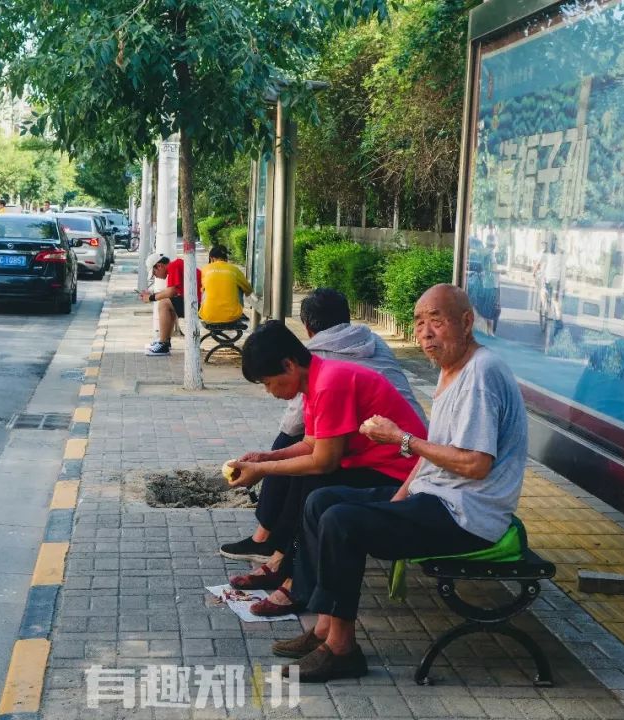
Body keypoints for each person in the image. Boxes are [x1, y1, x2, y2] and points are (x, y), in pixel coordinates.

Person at [270, 284, 527, 682]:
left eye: (436, 321)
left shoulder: (481, 373)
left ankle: (341, 650)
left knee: (341, 521)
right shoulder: (452, 371)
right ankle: (324, 628)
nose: (425, 333)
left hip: (468, 515)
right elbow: (434, 453)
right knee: (322, 501)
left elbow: (476, 465)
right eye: (419, 322)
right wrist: (399, 499)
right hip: (437, 497)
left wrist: (401, 439)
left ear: (466, 322)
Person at [224, 320, 427, 616]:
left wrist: (265, 470)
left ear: (289, 365)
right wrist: (266, 458)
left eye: (268, 382)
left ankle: (296, 584)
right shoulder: (317, 380)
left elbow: (323, 461)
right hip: (372, 465)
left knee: (315, 486)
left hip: (400, 476)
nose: (269, 391)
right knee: (298, 476)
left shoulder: (330, 382)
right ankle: (282, 563)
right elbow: (311, 444)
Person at [139, 252, 203, 357]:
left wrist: (151, 298)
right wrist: (153, 295)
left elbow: (171, 292)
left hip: (199, 304)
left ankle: (163, 344)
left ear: (159, 266)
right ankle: (164, 341)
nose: (155, 276)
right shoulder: (176, 265)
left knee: (164, 304)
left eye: (154, 273)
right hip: (199, 302)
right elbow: (172, 292)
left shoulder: (173, 267)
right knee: (169, 303)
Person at [199, 245, 252, 325]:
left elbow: (200, 289)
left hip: (208, 315)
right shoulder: (234, 269)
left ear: (211, 258)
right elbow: (248, 289)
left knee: (205, 288)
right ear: (226, 257)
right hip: (233, 316)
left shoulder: (205, 269)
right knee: (239, 285)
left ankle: (209, 309)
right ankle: (237, 311)